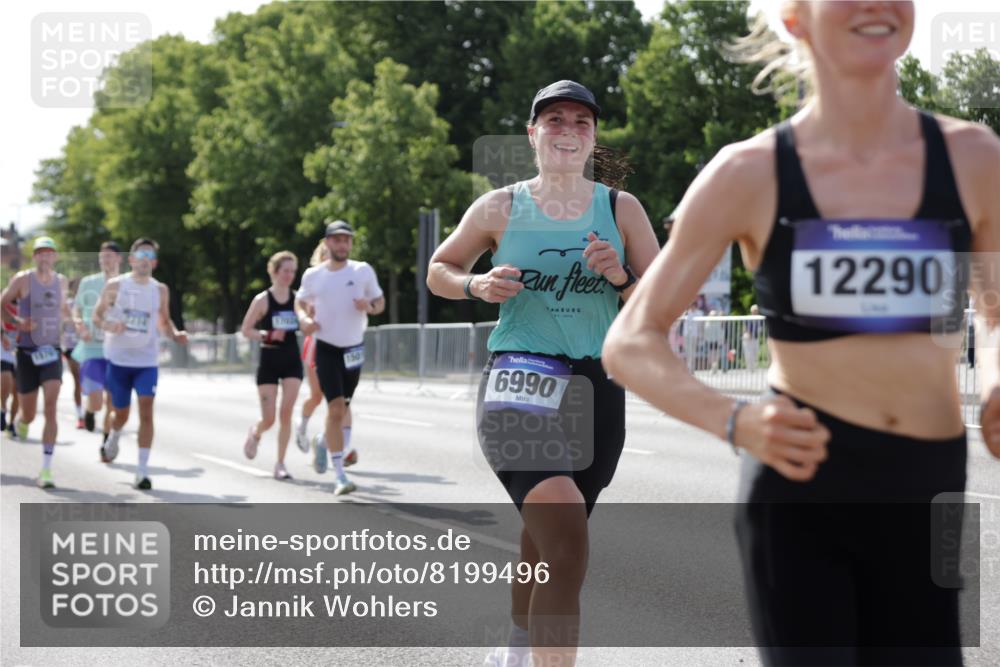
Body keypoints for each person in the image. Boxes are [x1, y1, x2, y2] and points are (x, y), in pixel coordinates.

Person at [603, 2, 1000, 664]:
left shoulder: (975, 158)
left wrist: (994, 382)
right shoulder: (747, 172)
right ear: (796, 19)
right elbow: (630, 340)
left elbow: (993, 307)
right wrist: (735, 420)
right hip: (801, 483)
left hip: (926, 484)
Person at [427, 80, 659, 667]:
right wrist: (474, 284)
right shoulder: (500, 206)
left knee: (545, 540)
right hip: (520, 380)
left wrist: (621, 279)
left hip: (597, 388)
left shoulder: (620, 209)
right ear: (532, 134)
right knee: (567, 546)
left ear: (594, 137)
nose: (568, 131)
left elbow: (661, 305)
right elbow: (440, 268)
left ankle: (515, 646)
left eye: (582, 122)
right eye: (554, 120)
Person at [295, 220, 384, 495]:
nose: (342, 244)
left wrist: (368, 306)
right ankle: (340, 476)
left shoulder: (362, 270)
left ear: (350, 244)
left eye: (346, 240)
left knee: (344, 407)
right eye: (337, 240)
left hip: (353, 349)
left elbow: (379, 303)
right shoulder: (314, 275)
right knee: (334, 409)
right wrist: (305, 319)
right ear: (328, 243)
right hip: (327, 348)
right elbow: (300, 302)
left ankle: (324, 441)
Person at [93, 238, 188, 490]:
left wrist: (175, 334)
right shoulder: (116, 285)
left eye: (149, 256)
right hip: (119, 359)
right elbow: (96, 316)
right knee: (121, 413)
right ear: (132, 259)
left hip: (147, 361)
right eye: (140, 255)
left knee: (146, 410)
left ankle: (142, 471)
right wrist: (109, 325)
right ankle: (113, 435)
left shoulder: (160, 290)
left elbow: (164, 322)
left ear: (154, 262)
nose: (144, 260)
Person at [0, 236, 73, 488]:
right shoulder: (22, 279)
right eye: (40, 252)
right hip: (26, 352)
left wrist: (77, 322)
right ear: (34, 257)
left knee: (51, 406)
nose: (45, 257)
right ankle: (21, 421)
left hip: (51, 350)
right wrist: (17, 322)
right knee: (29, 414)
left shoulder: (61, 281)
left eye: (49, 252)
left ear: (55, 257)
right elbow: (2, 303)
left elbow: (63, 309)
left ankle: (46, 469)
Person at [240, 250, 303, 480]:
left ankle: (280, 463)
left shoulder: (298, 300)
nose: (289, 276)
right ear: (274, 272)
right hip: (269, 360)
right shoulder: (262, 300)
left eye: (293, 272)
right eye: (285, 271)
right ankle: (256, 432)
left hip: (292, 361)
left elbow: (308, 323)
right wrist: (266, 335)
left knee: (286, 413)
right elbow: (246, 330)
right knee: (269, 419)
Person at [294, 240, 356, 464]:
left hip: (343, 346)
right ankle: (302, 426)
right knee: (318, 396)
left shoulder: (348, 279)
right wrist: (309, 317)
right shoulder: (313, 282)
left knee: (342, 401)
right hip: (318, 345)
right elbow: (302, 308)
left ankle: (342, 448)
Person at [72, 241, 122, 448]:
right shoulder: (88, 283)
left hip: (117, 352)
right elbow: (76, 310)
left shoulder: (127, 284)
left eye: (109, 256)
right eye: (102, 257)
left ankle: (105, 443)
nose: (105, 260)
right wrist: (80, 326)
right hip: (92, 350)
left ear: (119, 259)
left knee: (112, 402)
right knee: (96, 401)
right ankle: (90, 411)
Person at [62, 279, 85, 429]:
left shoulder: (91, 302)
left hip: (88, 347)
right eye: (76, 286)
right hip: (71, 347)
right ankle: (80, 415)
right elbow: (60, 325)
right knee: (78, 380)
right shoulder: (67, 304)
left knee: (90, 381)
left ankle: (90, 410)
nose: (79, 289)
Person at [742, 304, 762, 372]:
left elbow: (760, 329)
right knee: (748, 354)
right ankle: (750, 368)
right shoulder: (748, 318)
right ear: (751, 311)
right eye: (755, 310)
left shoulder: (760, 319)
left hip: (755, 338)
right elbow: (744, 328)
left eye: (757, 310)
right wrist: (748, 333)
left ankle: (753, 367)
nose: (756, 312)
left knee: (755, 353)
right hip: (748, 338)